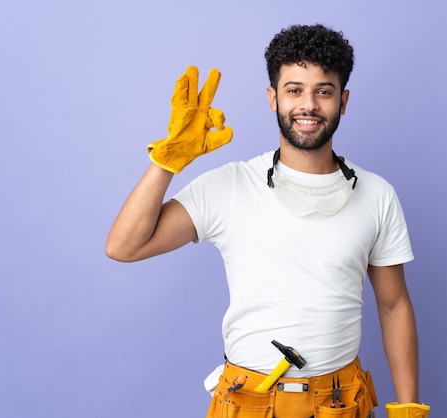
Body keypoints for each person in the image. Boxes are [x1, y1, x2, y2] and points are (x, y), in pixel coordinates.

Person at [106, 24, 430, 418]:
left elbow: (394, 305)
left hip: (340, 403)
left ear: (343, 101)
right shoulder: (230, 184)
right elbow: (124, 246)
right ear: (272, 97)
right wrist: (166, 162)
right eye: (294, 90)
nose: (308, 105)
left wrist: (408, 407)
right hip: (247, 402)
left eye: (323, 91)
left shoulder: (377, 194)